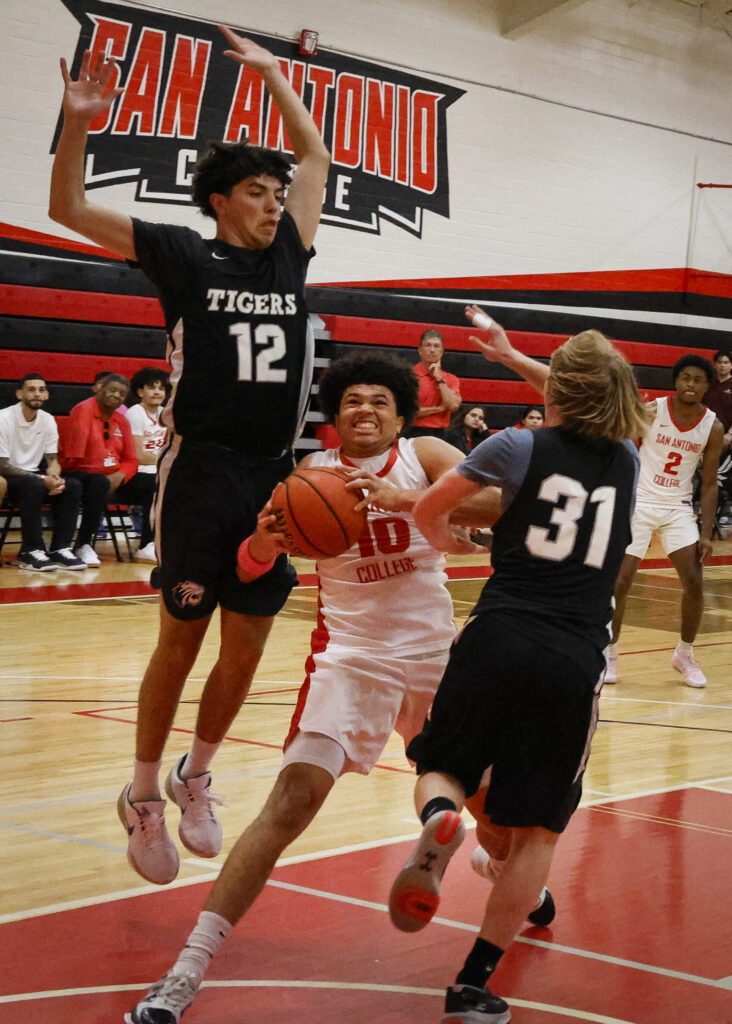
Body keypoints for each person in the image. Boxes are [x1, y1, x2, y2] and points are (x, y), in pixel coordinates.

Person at [124, 350, 489, 1024]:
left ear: (401, 413)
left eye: (379, 400)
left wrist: (427, 505)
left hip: (437, 654)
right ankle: (188, 968)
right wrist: (263, 543)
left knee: (490, 797)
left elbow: (499, 500)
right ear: (335, 415)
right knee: (289, 803)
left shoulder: (428, 455)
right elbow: (250, 566)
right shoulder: (308, 478)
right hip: (351, 658)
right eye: (352, 400)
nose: (365, 409)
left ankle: (494, 859)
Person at [50, 26, 330, 885]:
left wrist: (278, 76)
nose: (276, 202)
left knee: (246, 648)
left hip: (275, 474)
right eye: (257, 191)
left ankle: (194, 776)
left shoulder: (290, 252)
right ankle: (140, 792)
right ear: (218, 200)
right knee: (181, 638)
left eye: (278, 193)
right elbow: (67, 207)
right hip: (202, 469)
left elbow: (315, 155)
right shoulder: (181, 252)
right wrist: (79, 122)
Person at [388, 305, 650, 1024]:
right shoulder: (631, 453)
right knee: (537, 832)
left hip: (496, 635)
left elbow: (431, 511)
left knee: (441, 763)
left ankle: (443, 817)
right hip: (572, 656)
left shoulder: (515, 445)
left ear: (555, 388)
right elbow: (593, 399)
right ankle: (473, 983)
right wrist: (514, 357)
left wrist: (450, 541)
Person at [604, 355, 724, 688]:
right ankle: (610, 654)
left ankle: (684, 653)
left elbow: (711, 482)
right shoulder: (653, 410)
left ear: (707, 386)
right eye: (685, 377)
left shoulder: (712, 426)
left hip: (677, 507)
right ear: (676, 380)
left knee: (695, 583)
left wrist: (706, 531)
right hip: (639, 501)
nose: (690, 384)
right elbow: (620, 443)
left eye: (698, 379)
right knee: (621, 581)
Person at [0, 373, 85, 570]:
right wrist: (42, 478)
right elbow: (2, 465)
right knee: (33, 485)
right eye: (31, 390)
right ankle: (30, 550)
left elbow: (52, 459)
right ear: (19, 394)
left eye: (41, 390)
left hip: (35, 476)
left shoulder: (47, 420)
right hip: (8, 476)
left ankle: (60, 548)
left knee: (72, 485)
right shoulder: (4, 418)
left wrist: (55, 478)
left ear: (46, 395)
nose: (37, 394)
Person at [60, 373, 138, 565]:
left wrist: (121, 475)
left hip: (112, 476)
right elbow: (72, 458)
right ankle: (83, 544)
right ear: (100, 389)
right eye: (112, 390)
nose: (116, 395)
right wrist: (105, 474)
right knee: (98, 483)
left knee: (151, 484)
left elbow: (131, 460)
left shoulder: (122, 420)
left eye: (122, 393)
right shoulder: (83, 410)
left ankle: (147, 544)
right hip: (79, 473)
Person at [125, 367, 169, 561]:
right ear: (140, 391)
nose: (157, 392)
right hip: (138, 473)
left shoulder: (166, 414)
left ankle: (168, 541)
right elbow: (139, 455)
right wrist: (166, 459)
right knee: (156, 485)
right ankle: (146, 544)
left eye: (161, 388)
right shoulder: (135, 413)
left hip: (159, 470)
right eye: (151, 388)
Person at [410, 328, 461, 437]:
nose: (432, 350)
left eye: (436, 346)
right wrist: (439, 409)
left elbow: (453, 406)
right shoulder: (409, 375)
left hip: (441, 433)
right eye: (428, 345)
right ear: (420, 350)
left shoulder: (451, 379)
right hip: (413, 431)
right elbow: (408, 411)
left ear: (442, 352)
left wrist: (439, 378)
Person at [704, 349, 732, 450]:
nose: (722, 365)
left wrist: (730, 434)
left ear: (731, 365)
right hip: (705, 435)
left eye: (726, 362)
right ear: (715, 365)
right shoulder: (707, 384)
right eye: (719, 362)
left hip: (725, 438)